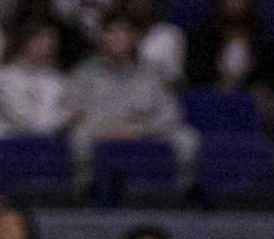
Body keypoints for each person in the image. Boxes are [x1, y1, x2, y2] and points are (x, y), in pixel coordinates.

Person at [64, 7, 194, 179]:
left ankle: (182, 191)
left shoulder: (152, 73)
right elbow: (73, 113)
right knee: (79, 136)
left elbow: (169, 114)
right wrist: (110, 130)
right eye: (111, 32)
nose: (118, 38)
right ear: (101, 37)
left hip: (144, 132)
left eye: (124, 32)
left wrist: (140, 130)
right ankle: (83, 190)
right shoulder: (84, 73)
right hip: (99, 132)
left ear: (135, 38)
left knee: (187, 137)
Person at [183, 0, 274, 100]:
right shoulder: (202, 36)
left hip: (251, 101)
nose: (235, 3)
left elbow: (273, 79)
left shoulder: (264, 38)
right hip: (211, 101)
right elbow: (195, 77)